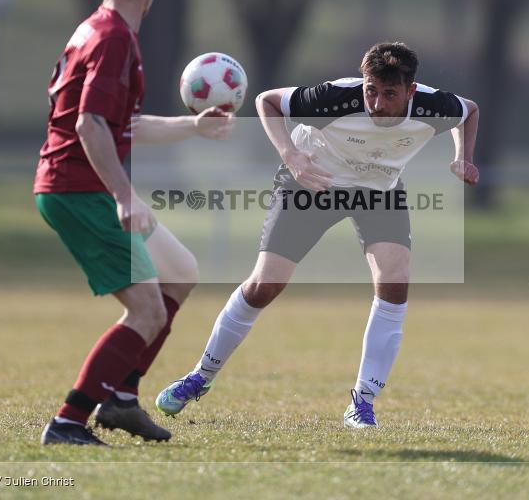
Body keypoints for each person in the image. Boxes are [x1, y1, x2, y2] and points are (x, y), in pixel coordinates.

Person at [155, 42, 479, 428]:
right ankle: (200, 377)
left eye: (389, 94)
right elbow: (268, 101)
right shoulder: (337, 97)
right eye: (371, 90)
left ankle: (363, 402)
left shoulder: (433, 106)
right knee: (265, 284)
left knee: (395, 281)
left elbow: (469, 111)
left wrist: (463, 156)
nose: (376, 102)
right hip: (311, 183)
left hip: (378, 192)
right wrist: (291, 155)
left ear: (411, 92)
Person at [34, 0, 233, 445]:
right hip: (80, 187)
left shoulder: (95, 29)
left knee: (181, 272)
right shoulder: (116, 38)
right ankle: (68, 422)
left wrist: (194, 127)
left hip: (86, 182)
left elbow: (126, 124)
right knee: (145, 310)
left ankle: (121, 399)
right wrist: (124, 196)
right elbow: (90, 125)